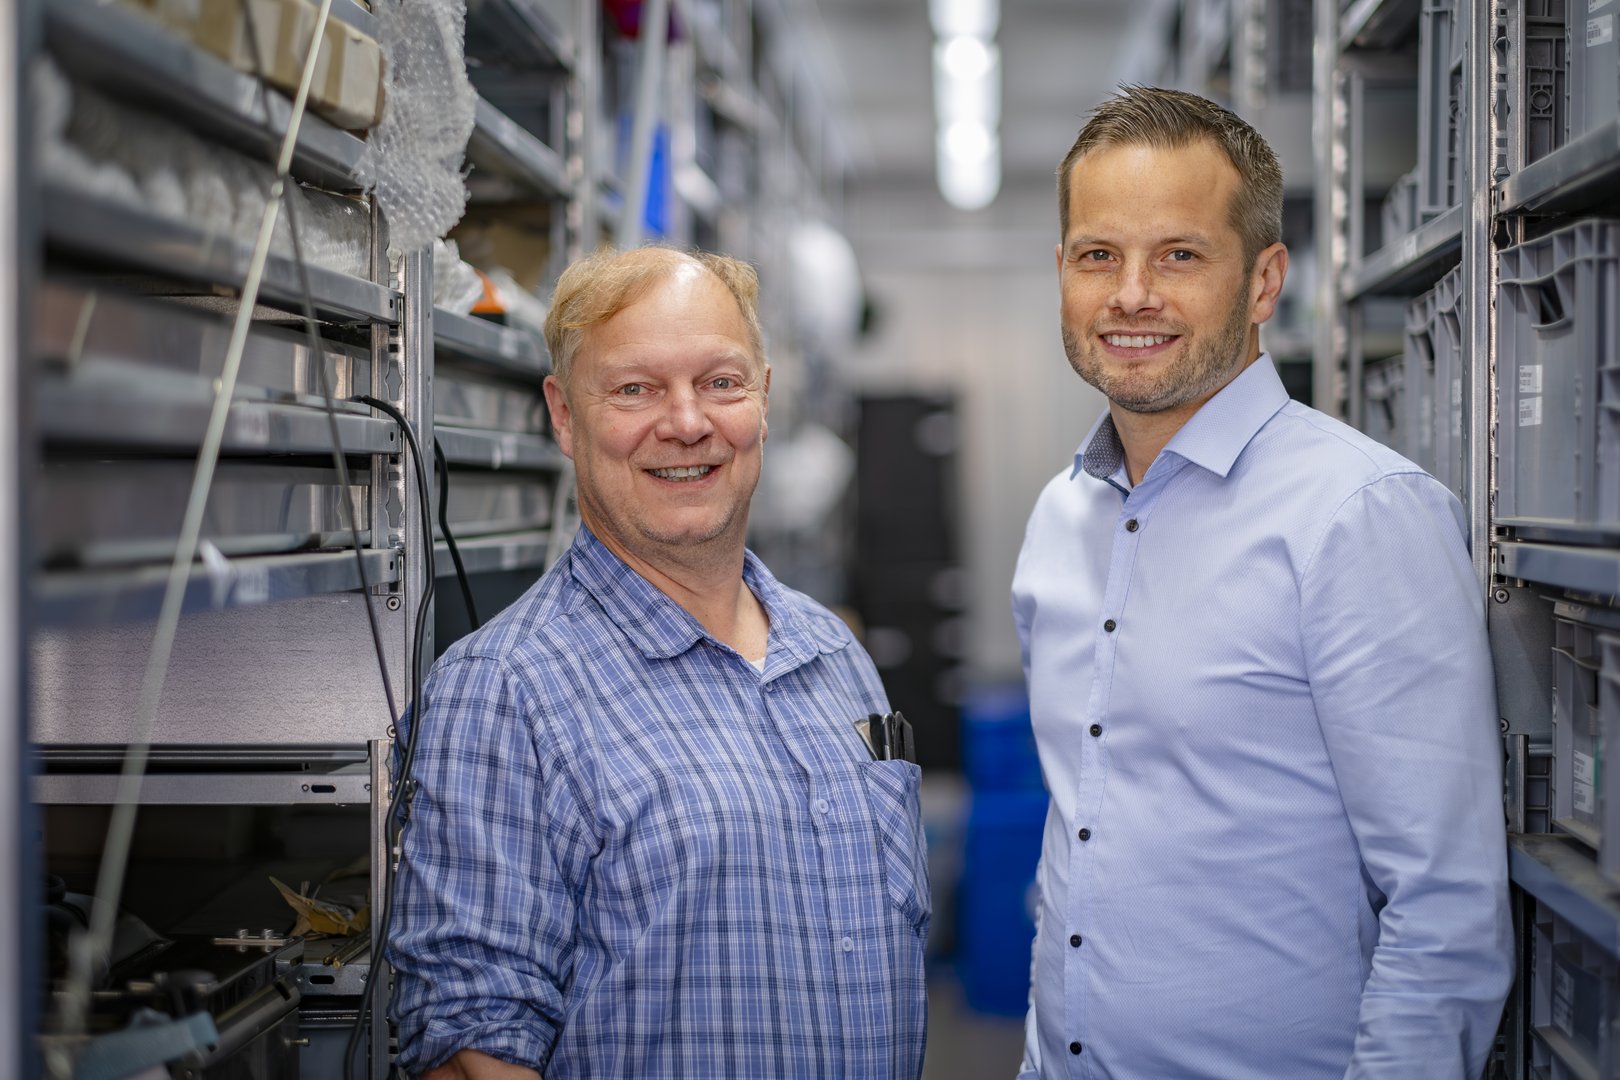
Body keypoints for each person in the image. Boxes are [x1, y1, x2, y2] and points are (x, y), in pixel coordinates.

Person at [1011, 86, 1513, 1079]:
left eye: (1181, 255)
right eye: (1097, 255)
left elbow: (1444, 911)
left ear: (1264, 279)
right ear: (1062, 274)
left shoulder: (1359, 516)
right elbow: (1086, 823)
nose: (1132, 295)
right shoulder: (1058, 520)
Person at [390, 246, 929, 1080]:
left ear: (764, 399)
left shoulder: (834, 655)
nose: (686, 423)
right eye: (635, 390)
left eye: (720, 382)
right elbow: (471, 1044)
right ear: (565, 416)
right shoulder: (505, 691)